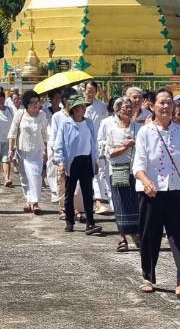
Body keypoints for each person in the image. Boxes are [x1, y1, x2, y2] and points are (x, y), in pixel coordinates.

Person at [132, 89, 180, 297]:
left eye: (169, 103)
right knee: (150, 235)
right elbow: (138, 165)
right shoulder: (145, 132)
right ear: (152, 106)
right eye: (161, 103)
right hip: (152, 191)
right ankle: (148, 276)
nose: (166, 107)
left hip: (175, 189)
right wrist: (146, 181)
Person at [56, 91, 102, 235]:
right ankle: (69, 221)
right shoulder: (66, 124)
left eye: (84, 106)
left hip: (86, 159)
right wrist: (61, 162)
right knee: (69, 193)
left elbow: (93, 143)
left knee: (88, 193)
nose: (84, 109)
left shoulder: (88, 122)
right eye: (81, 107)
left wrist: (95, 161)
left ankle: (90, 223)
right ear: (74, 109)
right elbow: (59, 144)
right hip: (72, 161)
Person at [102, 94, 140, 251]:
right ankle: (122, 237)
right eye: (125, 107)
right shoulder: (112, 130)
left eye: (131, 107)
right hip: (118, 168)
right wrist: (126, 147)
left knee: (136, 203)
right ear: (117, 111)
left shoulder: (139, 128)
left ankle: (137, 234)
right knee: (120, 203)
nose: (129, 110)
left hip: (137, 170)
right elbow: (109, 153)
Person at [9, 91, 50, 212]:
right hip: (22, 151)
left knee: (36, 176)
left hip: (37, 151)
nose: (36, 104)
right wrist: (10, 151)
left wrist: (46, 151)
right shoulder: (20, 114)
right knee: (25, 177)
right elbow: (12, 133)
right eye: (32, 102)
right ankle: (28, 200)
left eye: (37, 102)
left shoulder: (42, 115)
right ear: (27, 104)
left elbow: (45, 135)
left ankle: (35, 202)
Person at [82, 81, 111, 212]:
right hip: (81, 143)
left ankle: (98, 201)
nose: (90, 92)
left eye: (93, 90)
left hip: (97, 144)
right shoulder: (79, 104)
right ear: (84, 90)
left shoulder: (100, 106)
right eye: (88, 90)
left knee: (98, 171)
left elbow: (109, 115)